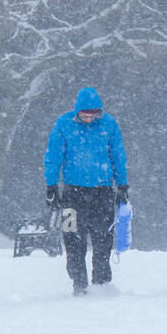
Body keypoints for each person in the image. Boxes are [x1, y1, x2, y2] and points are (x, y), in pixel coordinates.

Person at [44, 86, 129, 296]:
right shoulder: (63, 125)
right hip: (72, 193)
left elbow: (118, 155)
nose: (90, 118)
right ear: (77, 111)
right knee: (72, 238)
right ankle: (78, 283)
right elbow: (53, 156)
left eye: (94, 114)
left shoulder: (109, 125)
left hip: (103, 193)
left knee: (103, 239)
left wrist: (123, 183)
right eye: (85, 114)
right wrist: (51, 185)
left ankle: (101, 283)